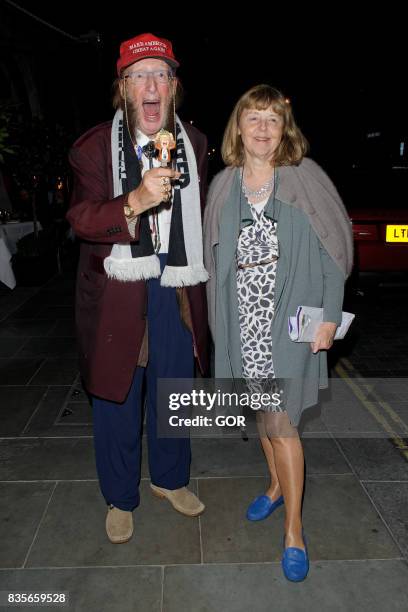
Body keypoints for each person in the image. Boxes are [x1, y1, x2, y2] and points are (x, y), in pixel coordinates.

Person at [204, 85, 353, 581]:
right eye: (254, 118)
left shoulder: (304, 179)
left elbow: (335, 252)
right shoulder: (224, 184)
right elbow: (214, 259)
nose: (263, 128)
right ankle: (273, 487)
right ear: (238, 127)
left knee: (283, 423)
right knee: (263, 416)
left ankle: (293, 530)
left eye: (272, 119)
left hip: (289, 322)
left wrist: (330, 315)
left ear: (284, 128)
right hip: (242, 321)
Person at [67, 33, 209, 544]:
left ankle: (170, 480)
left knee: (175, 389)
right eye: (139, 76)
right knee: (117, 396)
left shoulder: (194, 144)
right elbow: (81, 217)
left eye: (161, 76)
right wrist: (132, 202)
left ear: (173, 87)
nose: (151, 86)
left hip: (176, 288)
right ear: (124, 89)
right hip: (116, 294)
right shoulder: (92, 148)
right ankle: (119, 495)